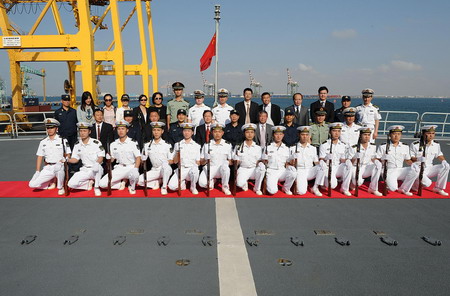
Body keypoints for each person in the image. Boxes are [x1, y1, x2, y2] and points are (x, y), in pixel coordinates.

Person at [29, 119, 71, 195]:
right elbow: (40, 156)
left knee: (60, 169)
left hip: (59, 165)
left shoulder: (62, 140)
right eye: (48, 128)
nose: (50, 130)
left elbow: (68, 153)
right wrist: (37, 171)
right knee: (32, 184)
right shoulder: (43, 142)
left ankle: (60, 187)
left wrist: (66, 159)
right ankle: (51, 181)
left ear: (56, 129)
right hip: (48, 167)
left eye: (52, 128)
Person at [99, 120, 141, 194]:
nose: (120, 131)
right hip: (119, 168)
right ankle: (120, 184)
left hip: (130, 167)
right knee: (102, 184)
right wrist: (108, 158)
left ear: (127, 130)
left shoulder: (133, 143)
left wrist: (136, 168)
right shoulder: (113, 144)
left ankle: (131, 186)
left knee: (136, 175)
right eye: (119, 129)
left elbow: (138, 157)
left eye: (123, 129)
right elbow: (112, 159)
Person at [375, 125, 418, 196]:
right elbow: (377, 159)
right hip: (388, 170)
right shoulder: (383, 146)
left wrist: (413, 164)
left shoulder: (405, 146)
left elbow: (407, 160)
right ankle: (391, 184)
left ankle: (404, 189)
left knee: (415, 171)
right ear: (389, 135)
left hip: (400, 170)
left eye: (398, 134)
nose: (396, 136)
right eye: (394, 134)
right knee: (393, 188)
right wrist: (382, 159)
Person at [313, 122, 352, 196]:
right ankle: (324, 182)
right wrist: (326, 158)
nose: (336, 133)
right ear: (330, 132)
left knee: (348, 166)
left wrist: (347, 161)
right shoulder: (324, 144)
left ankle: (344, 189)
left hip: (337, 166)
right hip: (327, 167)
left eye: (338, 131)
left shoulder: (342, 145)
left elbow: (342, 160)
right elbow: (321, 159)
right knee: (332, 185)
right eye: (334, 131)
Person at [409, 125, 449, 196]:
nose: (431, 135)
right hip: (419, 169)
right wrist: (418, 159)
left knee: (446, 167)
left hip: (430, 168)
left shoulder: (436, 144)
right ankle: (414, 184)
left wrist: (444, 161)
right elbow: (411, 158)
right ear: (423, 133)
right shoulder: (415, 144)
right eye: (429, 133)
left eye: (433, 133)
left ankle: (438, 188)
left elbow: (439, 155)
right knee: (427, 184)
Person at [67, 122, 105, 196]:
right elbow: (75, 159)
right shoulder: (77, 144)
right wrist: (67, 159)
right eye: (81, 131)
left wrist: (97, 163)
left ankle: (96, 187)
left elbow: (101, 157)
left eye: (84, 131)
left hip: (96, 168)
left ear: (89, 132)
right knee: (71, 184)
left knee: (97, 168)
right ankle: (87, 184)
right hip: (85, 169)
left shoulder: (96, 143)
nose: (82, 133)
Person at [343, 127, 382, 196]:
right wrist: (355, 157)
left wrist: (377, 161)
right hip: (356, 167)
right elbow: (350, 162)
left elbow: (373, 157)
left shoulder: (372, 146)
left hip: (367, 166)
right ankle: (352, 184)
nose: (367, 137)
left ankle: (373, 188)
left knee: (378, 166)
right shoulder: (354, 147)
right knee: (358, 182)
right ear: (360, 136)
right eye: (365, 135)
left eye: (368, 135)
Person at [138, 122, 174, 195]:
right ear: (152, 131)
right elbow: (142, 160)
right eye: (154, 130)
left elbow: (172, 160)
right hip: (154, 169)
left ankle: (164, 187)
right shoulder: (147, 145)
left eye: (158, 130)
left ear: (162, 131)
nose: (156, 132)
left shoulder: (167, 145)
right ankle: (156, 182)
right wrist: (143, 158)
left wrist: (165, 163)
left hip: (165, 169)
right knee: (138, 180)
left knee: (166, 167)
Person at [198, 123, 233, 195]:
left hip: (222, 169)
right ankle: (212, 181)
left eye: (219, 132)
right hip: (210, 168)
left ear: (222, 133)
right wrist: (205, 160)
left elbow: (230, 161)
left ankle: (225, 187)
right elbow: (201, 162)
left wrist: (228, 162)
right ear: (212, 133)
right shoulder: (207, 145)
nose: (217, 134)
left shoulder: (227, 145)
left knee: (226, 167)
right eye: (215, 132)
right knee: (202, 183)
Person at [261, 126, 296, 195]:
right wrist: (264, 159)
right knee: (272, 191)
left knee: (293, 173)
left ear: (283, 135)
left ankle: (286, 188)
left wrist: (293, 160)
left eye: (280, 134)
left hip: (282, 170)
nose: (278, 136)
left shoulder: (286, 148)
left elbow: (288, 162)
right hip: (271, 171)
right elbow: (263, 161)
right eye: (276, 134)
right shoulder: (268, 147)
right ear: (273, 135)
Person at [168, 123, 201, 194]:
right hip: (181, 168)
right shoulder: (177, 144)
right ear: (182, 132)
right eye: (185, 131)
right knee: (171, 186)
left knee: (195, 170)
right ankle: (183, 183)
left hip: (191, 169)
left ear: (192, 133)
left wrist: (196, 165)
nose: (187, 133)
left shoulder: (196, 146)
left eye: (189, 131)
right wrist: (177, 153)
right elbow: (175, 161)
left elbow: (198, 162)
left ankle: (193, 187)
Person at [289, 126, 321, 196]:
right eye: (302, 135)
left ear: (309, 136)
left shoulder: (313, 148)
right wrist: (293, 159)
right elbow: (289, 164)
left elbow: (316, 162)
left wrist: (322, 165)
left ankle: (315, 187)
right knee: (301, 192)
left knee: (322, 166)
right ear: (299, 135)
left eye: (307, 135)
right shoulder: (293, 148)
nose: (305, 137)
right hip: (300, 171)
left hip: (310, 170)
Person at [234, 123, 265, 195]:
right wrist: (236, 161)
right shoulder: (238, 147)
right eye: (247, 132)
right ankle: (244, 183)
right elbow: (236, 161)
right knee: (239, 184)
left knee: (262, 168)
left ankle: (257, 188)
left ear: (254, 134)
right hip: (243, 169)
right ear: (244, 133)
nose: (249, 134)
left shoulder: (258, 148)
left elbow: (259, 160)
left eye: (252, 132)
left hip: (254, 169)